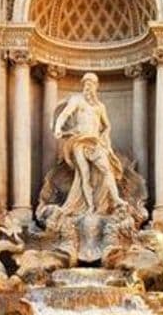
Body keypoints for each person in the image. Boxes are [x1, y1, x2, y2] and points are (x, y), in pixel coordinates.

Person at [53, 72, 126, 216]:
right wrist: (57, 127)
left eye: (91, 84)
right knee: (84, 174)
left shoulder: (100, 106)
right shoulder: (77, 100)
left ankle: (116, 198)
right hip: (79, 142)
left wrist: (105, 137)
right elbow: (65, 114)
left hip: (95, 142)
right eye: (86, 84)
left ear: (96, 87)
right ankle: (90, 206)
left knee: (107, 170)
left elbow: (107, 126)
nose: (88, 87)